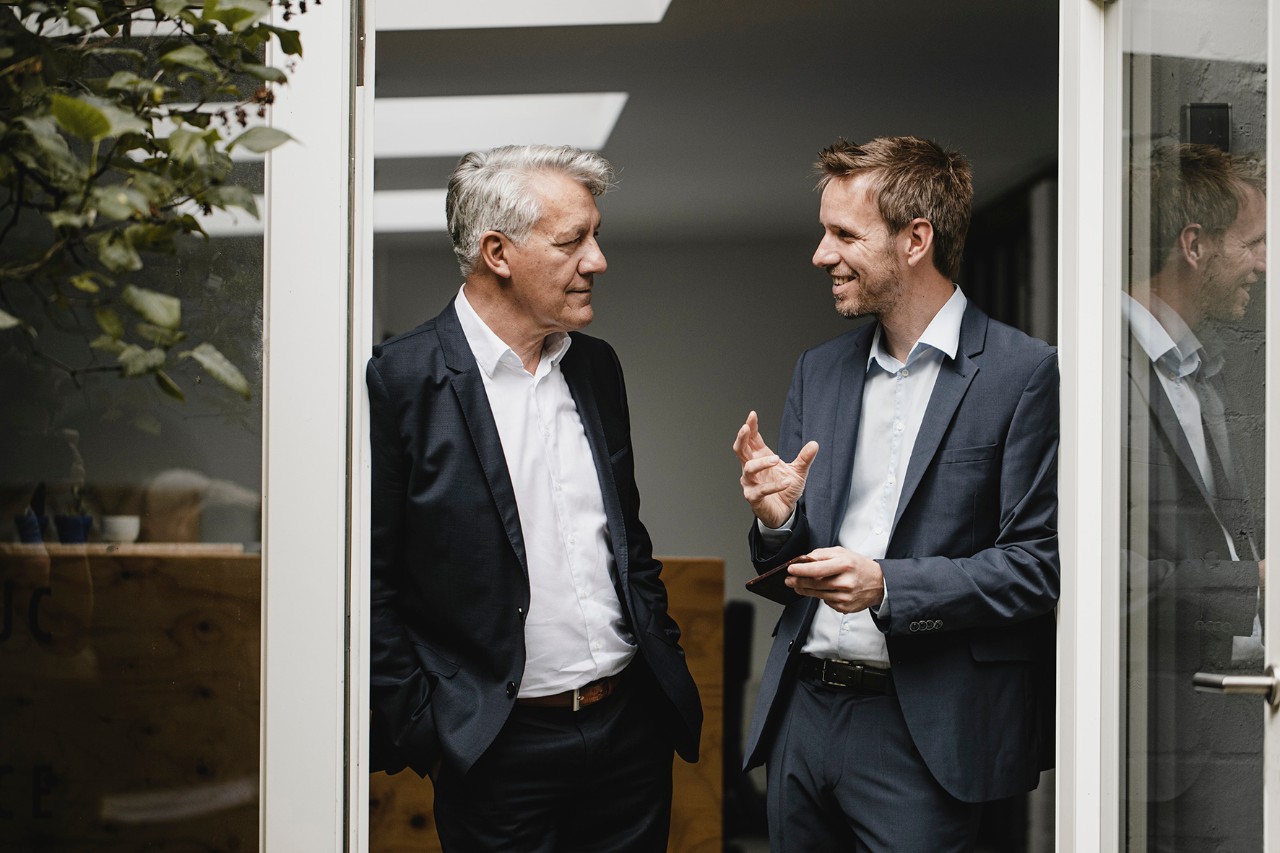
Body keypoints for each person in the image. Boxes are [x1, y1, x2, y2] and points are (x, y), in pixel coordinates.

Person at [367, 144, 702, 852]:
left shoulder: (597, 368)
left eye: (596, 235)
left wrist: (658, 652)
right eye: (572, 240)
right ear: (498, 252)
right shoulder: (401, 380)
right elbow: (374, 581)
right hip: (495, 745)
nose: (597, 260)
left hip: (625, 733)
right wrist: (429, 728)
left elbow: (625, 538)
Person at [732, 136, 1059, 852]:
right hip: (802, 713)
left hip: (922, 732)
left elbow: (1038, 564)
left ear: (917, 239)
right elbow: (793, 548)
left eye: (844, 234)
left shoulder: (1025, 374)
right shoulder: (818, 370)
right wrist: (778, 518)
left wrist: (887, 584)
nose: (821, 254)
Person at [1123, 142, 1266, 850]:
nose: (1265, 264)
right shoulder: (1094, 369)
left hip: (1237, 722)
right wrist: (1247, 583)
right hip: (1163, 748)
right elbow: (1093, 566)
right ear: (1195, 245)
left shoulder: (1201, 374)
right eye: (1256, 242)